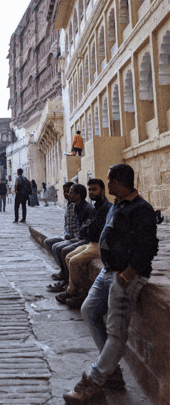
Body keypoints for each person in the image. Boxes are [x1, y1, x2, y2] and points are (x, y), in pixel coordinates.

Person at [64, 164, 160, 403]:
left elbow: (148, 247)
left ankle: (95, 380)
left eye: (110, 180)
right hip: (108, 272)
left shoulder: (141, 209)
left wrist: (127, 275)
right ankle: (113, 371)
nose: (108, 184)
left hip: (125, 276)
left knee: (116, 331)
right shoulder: (118, 205)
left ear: (118, 182)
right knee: (89, 310)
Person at [56, 179, 111, 309]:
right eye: (90, 189)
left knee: (74, 261)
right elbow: (86, 227)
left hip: (99, 244)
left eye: (94, 189)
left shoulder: (105, 207)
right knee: (68, 257)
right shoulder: (97, 206)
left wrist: (88, 227)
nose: (91, 192)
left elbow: (93, 228)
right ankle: (76, 288)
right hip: (91, 241)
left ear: (102, 191)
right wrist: (88, 227)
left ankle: (76, 292)